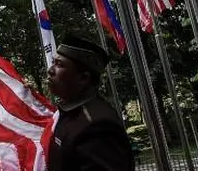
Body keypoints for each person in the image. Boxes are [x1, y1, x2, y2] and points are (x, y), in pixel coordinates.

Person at [46, 34, 133, 171]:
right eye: (53, 63)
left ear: (83, 78)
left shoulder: (98, 126)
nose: (50, 70)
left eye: (60, 65)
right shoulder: (70, 113)